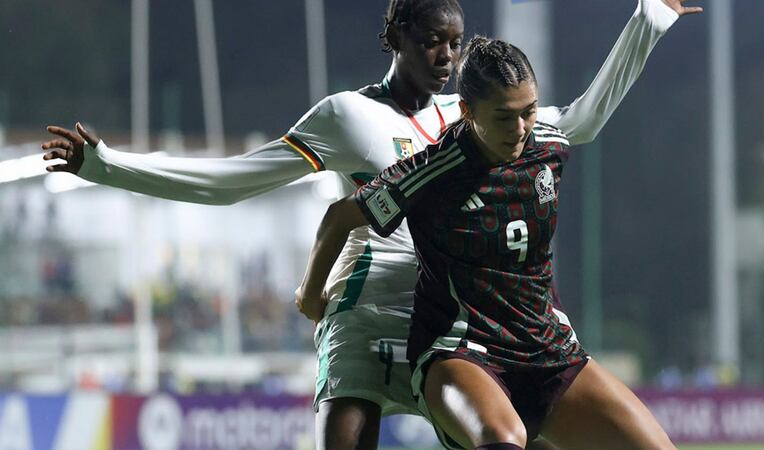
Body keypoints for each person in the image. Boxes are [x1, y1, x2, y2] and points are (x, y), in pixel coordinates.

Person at [41, 1, 701, 448]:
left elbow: (579, 121)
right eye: (429, 40)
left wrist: (648, 19)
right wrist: (106, 167)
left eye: (453, 41)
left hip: (463, 310)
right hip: (368, 308)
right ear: (395, 40)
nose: (443, 54)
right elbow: (232, 182)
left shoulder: (476, 112)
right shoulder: (346, 116)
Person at [296, 35, 679, 450]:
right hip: (460, 350)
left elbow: (590, 113)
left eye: (529, 112)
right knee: (503, 439)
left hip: (547, 349)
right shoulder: (433, 171)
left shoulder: (549, 147)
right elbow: (340, 216)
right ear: (466, 110)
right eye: (503, 117)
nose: (519, 130)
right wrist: (309, 295)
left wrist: (649, 21)